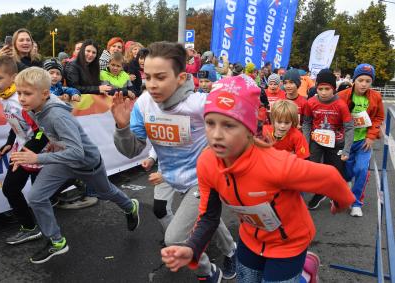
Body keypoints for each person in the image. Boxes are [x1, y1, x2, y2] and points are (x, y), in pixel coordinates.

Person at [160, 75, 356, 283]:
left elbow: (330, 176)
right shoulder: (207, 162)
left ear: (249, 129)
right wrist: (192, 248)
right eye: (210, 123)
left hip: (288, 244)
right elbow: (209, 215)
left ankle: (305, 272)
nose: (216, 135)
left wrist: (341, 202)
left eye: (229, 125)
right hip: (250, 239)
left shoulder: (276, 164)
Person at [111, 41, 237, 282]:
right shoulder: (143, 104)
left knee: (174, 237)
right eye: (147, 77)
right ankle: (231, 249)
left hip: (201, 180)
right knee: (204, 217)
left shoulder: (200, 104)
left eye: (160, 77)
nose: (152, 84)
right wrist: (122, 127)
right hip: (167, 174)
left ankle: (209, 271)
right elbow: (132, 150)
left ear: (180, 78)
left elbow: (234, 129)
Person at [10, 67, 140, 264]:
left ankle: (130, 207)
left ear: (45, 94)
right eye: (19, 93)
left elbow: (77, 152)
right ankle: (57, 242)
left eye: (27, 93)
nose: (21, 98)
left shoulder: (56, 115)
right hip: (63, 160)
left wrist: (37, 158)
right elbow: (51, 133)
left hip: (86, 163)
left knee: (105, 193)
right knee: (36, 197)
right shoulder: (36, 108)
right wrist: (53, 143)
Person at [0, 56, 49, 245]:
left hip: (38, 149)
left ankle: (44, 231)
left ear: (13, 77)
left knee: (32, 192)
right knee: (14, 189)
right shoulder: (4, 97)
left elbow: (43, 131)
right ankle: (32, 227)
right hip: (23, 148)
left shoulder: (20, 99)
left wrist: (27, 153)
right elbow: (16, 125)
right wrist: (8, 143)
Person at [302, 69, 354, 210]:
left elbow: (349, 128)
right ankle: (321, 192)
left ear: (334, 89)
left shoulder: (341, 105)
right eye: (320, 89)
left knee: (336, 171)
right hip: (316, 141)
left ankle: (335, 195)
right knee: (313, 169)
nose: (324, 92)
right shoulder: (310, 102)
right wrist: (305, 144)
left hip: (336, 143)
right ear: (316, 88)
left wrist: (346, 150)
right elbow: (306, 123)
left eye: (327, 89)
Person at [338, 63, 385, 217]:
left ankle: (356, 203)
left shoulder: (376, 96)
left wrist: (371, 136)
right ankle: (348, 181)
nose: (364, 84)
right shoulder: (343, 95)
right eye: (361, 80)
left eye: (367, 81)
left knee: (362, 170)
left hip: (364, 141)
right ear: (354, 80)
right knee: (348, 171)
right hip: (346, 141)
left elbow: (378, 117)